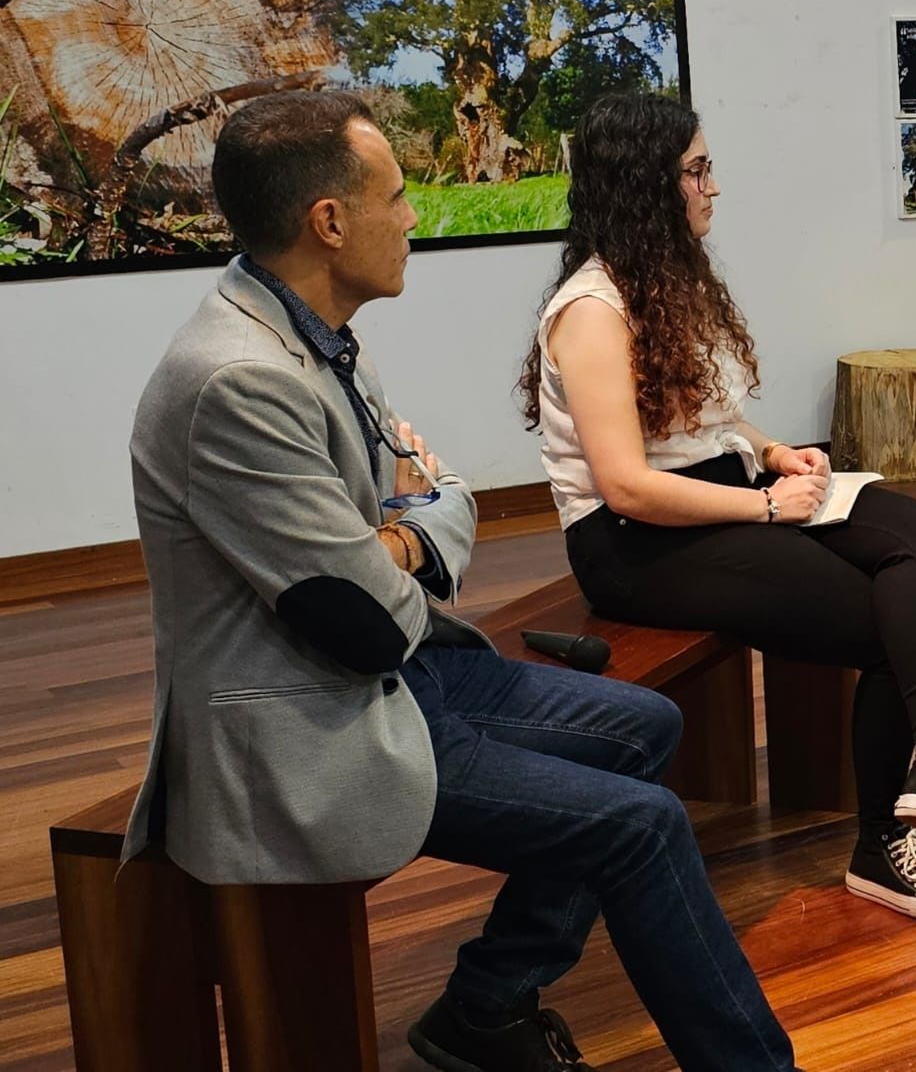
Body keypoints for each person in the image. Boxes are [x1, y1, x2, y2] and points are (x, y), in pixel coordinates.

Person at [125, 91, 797, 1071]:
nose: (412, 217)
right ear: (329, 221)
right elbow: (360, 613)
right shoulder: (238, 379)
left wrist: (403, 528)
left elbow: (437, 497)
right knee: (640, 824)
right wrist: (405, 536)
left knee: (644, 726)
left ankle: (483, 1004)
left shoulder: (314, 335)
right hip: (303, 726)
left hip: (393, 672)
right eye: (397, 197)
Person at [517, 93, 916, 923]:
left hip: (715, 493)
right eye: (697, 170)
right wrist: (769, 507)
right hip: (634, 543)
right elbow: (627, 484)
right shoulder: (592, 310)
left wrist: (770, 451)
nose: (713, 187)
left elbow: (706, 416)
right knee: (881, 619)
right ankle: (883, 844)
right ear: (645, 184)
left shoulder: (667, 279)